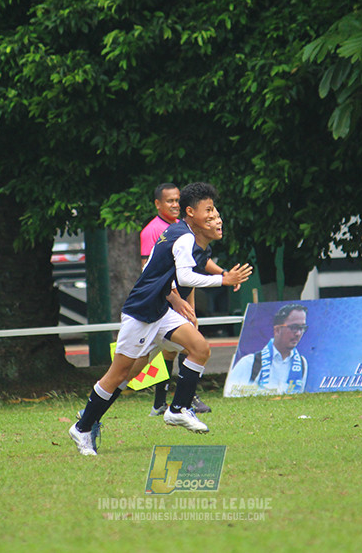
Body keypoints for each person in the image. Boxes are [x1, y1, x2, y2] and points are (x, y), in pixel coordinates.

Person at [69, 182, 253, 455]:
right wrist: (223, 280)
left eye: (215, 210)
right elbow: (186, 275)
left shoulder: (189, 235)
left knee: (200, 348)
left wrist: (180, 299)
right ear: (190, 213)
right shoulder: (185, 237)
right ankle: (83, 427)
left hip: (162, 310)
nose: (214, 216)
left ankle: (177, 409)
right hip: (142, 312)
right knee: (120, 374)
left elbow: (184, 269)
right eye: (209, 210)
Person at [139, 182, 213, 416]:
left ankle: (168, 402)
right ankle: (183, 399)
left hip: (174, 299)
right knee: (131, 365)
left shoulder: (184, 228)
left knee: (179, 349)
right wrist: (175, 299)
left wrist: (189, 303)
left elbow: (189, 272)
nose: (174, 205)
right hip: (157, 302)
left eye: (177, 200)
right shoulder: (154, 230)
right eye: (169, 201)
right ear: (157, 204)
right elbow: (149, 268)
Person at [224, 303, 309, 396]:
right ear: (277, 330)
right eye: (294, 328)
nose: (298, 333)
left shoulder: (302, 363)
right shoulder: (248, 363)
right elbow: (230, 394)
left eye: (302, 328)